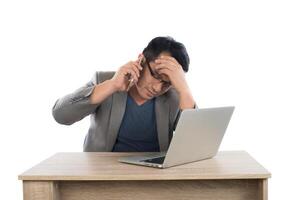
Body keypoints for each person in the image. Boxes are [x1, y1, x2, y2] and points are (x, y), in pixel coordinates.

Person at [52, 36, 197, 152]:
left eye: (167, 82)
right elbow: (60, 115)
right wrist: (112, 85)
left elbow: (193, 147)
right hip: (102, 174)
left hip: (155, 178)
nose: (158, 88)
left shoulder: (176, 96)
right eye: (156, 76)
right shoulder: (104, 80)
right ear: (141, 60)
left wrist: (184, 90)